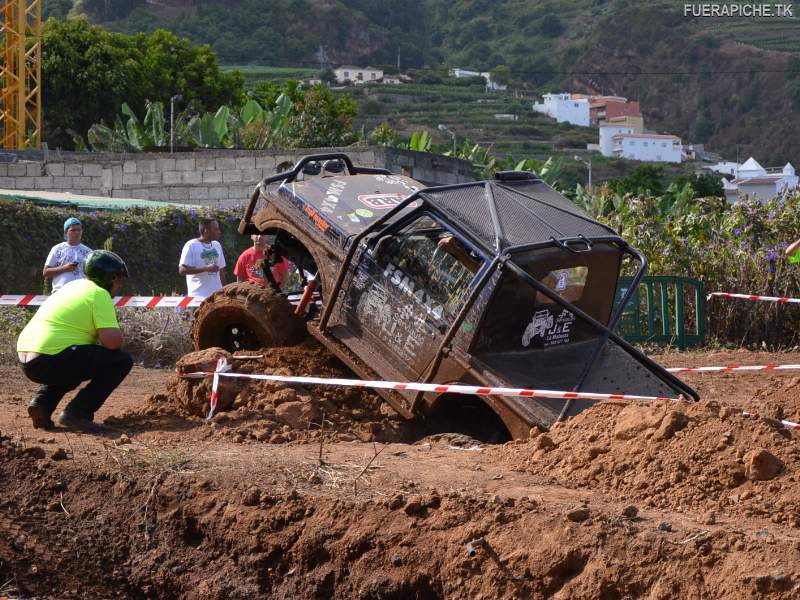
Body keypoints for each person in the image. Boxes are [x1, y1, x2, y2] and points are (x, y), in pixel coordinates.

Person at [16, 250, 134, 432]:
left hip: (28, 358)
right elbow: (113, 343)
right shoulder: (99, 294)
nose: (119, 285)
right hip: (50, 356)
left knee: (76, 363)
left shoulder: (72, 287)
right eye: (118, 279)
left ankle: (42, 404)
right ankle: (77, 413)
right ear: (112, 278)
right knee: (121, 361)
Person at [179, 219, 227, 298]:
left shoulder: (217, 245)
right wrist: (206, 269)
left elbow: (221, 270)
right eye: (216, 229)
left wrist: (225, 289)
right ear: (206, 231)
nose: (219, 231)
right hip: (197, 298)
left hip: (217, 297)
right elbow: (182, 270)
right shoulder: (191, 245)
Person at [44, 217, 92, 293]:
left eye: (79, 230)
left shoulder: (88, 252)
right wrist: (64, 268)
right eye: (73, 230)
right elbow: (46, 272)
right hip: (60, 292)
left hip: (81, 293)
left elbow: (92, 275)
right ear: (66, 232)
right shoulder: (57, 249)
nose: (77, 232)